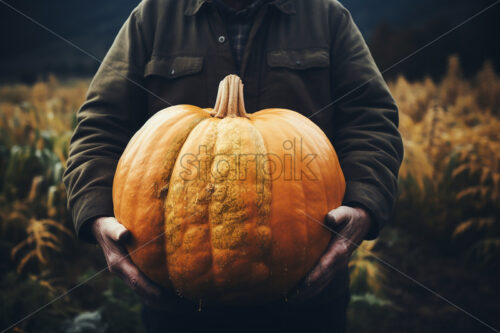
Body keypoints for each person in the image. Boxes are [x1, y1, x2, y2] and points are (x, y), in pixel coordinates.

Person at [63, 0, 403, 332]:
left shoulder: (325, 15)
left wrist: (364, 206)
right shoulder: (152, 16)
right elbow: (100, 127)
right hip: (176, 304)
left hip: (308, 294)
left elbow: (371, 120)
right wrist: (95, 217)